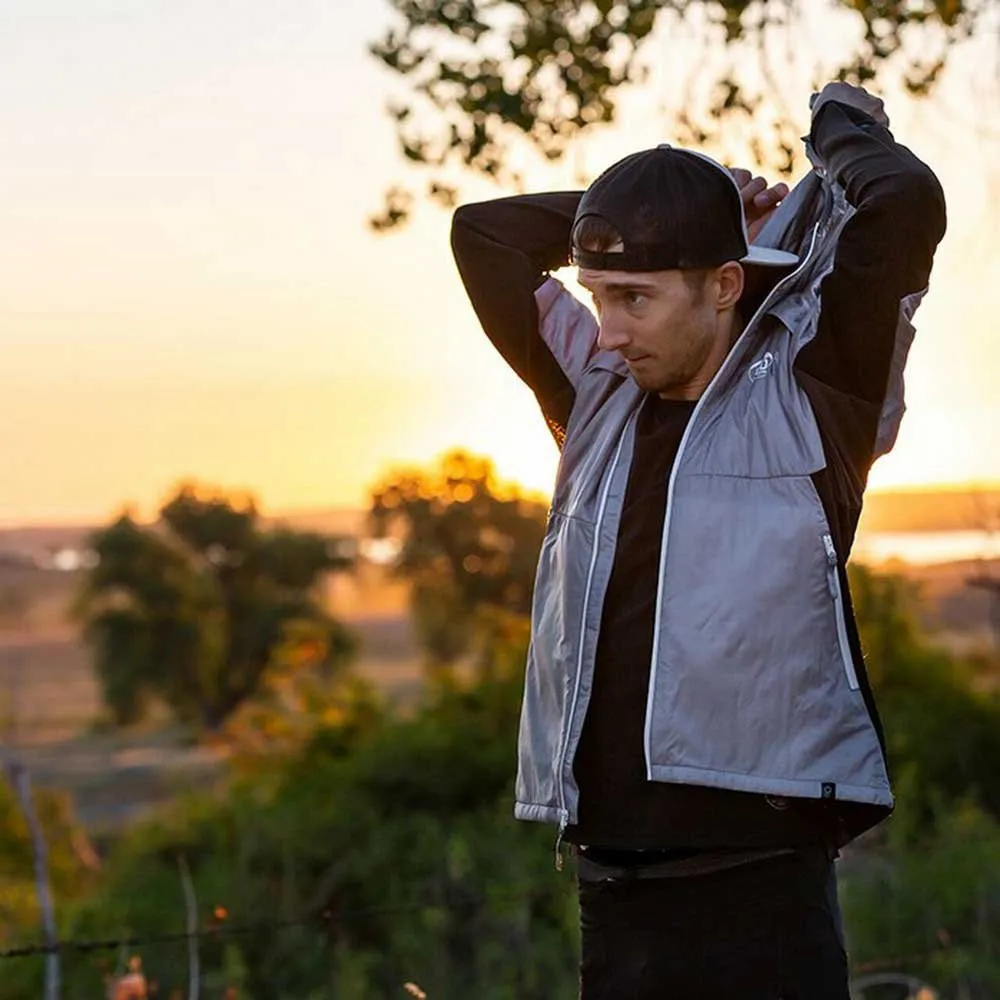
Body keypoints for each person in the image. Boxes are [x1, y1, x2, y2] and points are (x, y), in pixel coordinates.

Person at [450, 81, 946, 999]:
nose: (610, 331)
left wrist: (838, 127)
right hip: (612, 894)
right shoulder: (594, 394)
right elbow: (484, 235)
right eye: (598, 296)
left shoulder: (816, 398)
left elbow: (903, 202)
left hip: (761, 895)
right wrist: (679, 205)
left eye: (635, 298)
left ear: (725, 285)